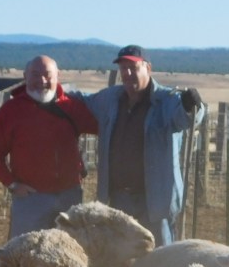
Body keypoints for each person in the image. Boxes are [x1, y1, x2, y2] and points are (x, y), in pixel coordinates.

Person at [73, 45, 205, 246]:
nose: (127, 73)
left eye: (133, 68)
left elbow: (186, 118)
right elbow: (82, 101)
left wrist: (193, 106)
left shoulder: (166, 100)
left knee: (160, 257)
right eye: (123, 68)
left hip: (154, 201)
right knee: (121, 257)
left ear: (148, 68)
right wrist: (51, 86)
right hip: (118, 199)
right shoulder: (111, 98)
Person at [0, 55, 98, 239]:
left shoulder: (72, 107)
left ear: (58, 76)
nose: (42, 81)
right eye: (35, 75)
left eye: (47, 75)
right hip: (31, 199)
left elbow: (106, 129)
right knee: (26, 255)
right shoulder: (11, 111)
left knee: (69, 254)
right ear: (25, 76)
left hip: (70, 197)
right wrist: (12, 184)